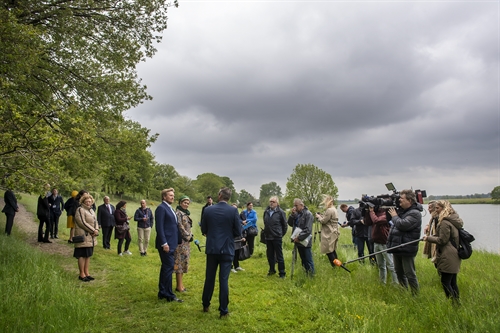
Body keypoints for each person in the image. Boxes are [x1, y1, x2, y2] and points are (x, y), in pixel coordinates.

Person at [201, 187, 241, 318]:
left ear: (219, 196)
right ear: (228, 197)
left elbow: (204, 229)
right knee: (223, 280)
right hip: (227, 249)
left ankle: (206, 303)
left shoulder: (208, 210)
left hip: (212, 248)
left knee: (210, 278)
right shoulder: (233, 211)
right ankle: (223, 310)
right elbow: (238, 231)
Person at [423, 200, 463, 303]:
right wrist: (431, 236)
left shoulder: (445, 222)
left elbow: (442, 240)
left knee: (445, 281)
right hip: (453, 253)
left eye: (437, 208)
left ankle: (452, 303)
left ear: (444, 208)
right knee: (453, 282)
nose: (436, 210)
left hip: (448, 254)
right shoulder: (452, 220)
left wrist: (428, 238)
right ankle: (456, 303)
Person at [387, 189, 423, 295]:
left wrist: (394, 216)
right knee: (399, 272)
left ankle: (415, 296)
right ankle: (403, 293)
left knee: (410, 274)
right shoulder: (402, 211)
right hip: (397, 246)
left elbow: (402, 224)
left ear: (410, 200)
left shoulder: (415, 213)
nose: (399, 201)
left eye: (402, 199)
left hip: (407, 247)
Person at [156, 188, 183, 303]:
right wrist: (164, 243)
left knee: (166, 268)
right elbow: (160, 227)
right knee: (169, 268)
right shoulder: (161, 208)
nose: (172, 197)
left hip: (172, 243)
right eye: (170, 195)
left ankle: (162, 292)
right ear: (164, 197)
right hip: (166, 244)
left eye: (173, 195)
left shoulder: (169, 208)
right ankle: (169, 294)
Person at [368, 206, 398, 285]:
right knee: (381, 265)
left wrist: (371, 211)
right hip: (376, 242)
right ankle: (382, 283)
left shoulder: (386, 215)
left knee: (391, 265)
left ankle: (395, 283)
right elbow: (367, 221)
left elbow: (376, 221)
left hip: (384, 243)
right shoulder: (375, 213)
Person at [73, 193, 99, 282]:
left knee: (88, 255)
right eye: (86, 201)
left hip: (91, 237)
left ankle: (87, 273)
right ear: (83, 201)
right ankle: (81, 274)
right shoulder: (80, 210)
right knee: (82, 255)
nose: (88, 203)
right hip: (83, 236)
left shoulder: (91, 211)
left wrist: (96, 230)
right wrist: (93, 231)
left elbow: (96, 222)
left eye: (90, 201)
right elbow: (82, 223)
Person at [287, 198, 315, 276]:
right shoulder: (297, 214)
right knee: (303, 259)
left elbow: (308, 229)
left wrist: (299, 238)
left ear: (302, 205)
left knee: (308, 259)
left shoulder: (308, 214)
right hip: (297, 241)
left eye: (296, 205)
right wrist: (292, 215)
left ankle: (311, 276)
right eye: (294, 206)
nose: (295, 207)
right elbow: (290, 223)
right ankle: (306, 274)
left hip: (305, 241)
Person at [263, 196, 287, 277]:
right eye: (270, 201)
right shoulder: (266, 212)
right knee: (270, 255)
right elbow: (265, 222)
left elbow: (284, 225)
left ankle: (282, 272)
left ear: (277, 203)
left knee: (279, 255)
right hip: (268, 236)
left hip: (277, 237)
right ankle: (272, 270)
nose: (271, 203)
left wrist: (280, 234)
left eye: (273, 202)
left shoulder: (281, 212)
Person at [174, 196, 194, 292]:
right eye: (184, 202)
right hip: (180, 242)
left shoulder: (185, 213)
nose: (186, 204)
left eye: (187, 203)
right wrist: (188, 236)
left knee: (183, 263)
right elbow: (180, 227)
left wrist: (191, 235)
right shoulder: (178, 213)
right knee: (179, 264)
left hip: (186, 243)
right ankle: (179, 286)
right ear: (180, 203)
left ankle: (181, 285)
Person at [315, 195, 340, 268]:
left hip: (329, 232)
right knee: (332, 249)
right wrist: (322, 215)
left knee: (328, 250)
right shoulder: (334, 209)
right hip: (334, 230)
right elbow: (329, 219)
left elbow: (324, 221)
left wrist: (319, 217)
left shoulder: (329, 210)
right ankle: (338, 265)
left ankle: (334, 266)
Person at [230, 203, 246, 273]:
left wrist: (242, 237)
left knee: (237, 253)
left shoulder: (238, 217)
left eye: (236, 208)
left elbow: (240, 228)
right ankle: (230, 267)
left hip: (238, 238)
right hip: (231, 238)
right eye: (233, 208)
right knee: (231, 253)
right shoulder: (228, 217)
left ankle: (237, 266)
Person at [423, 201, 439, 265]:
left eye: (430, 207)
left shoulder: (437, 218)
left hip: (437, 244)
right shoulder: (433, 218)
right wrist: (428, 225)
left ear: (435, 208)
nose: (428, 209)